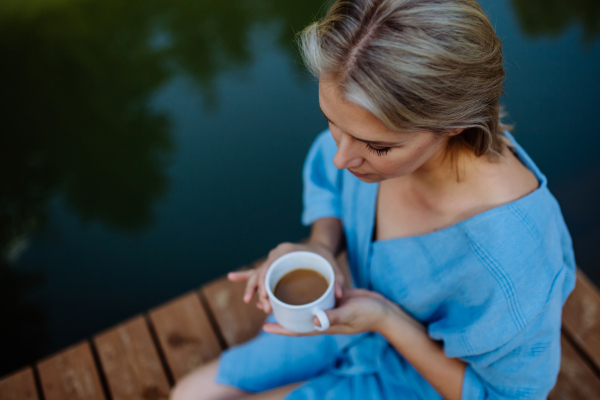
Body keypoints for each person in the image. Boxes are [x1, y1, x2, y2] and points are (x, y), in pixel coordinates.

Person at [170, 0, 576, 398]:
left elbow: (504, 396)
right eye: (331, 122)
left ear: (453, 122)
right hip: (343, 318)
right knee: (191, 394)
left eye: (377, 147)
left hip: (418, 379)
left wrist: (385, 320)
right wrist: (321, 246)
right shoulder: (374, 131)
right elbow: (330, 182)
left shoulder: (513, 257)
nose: (341, 158)